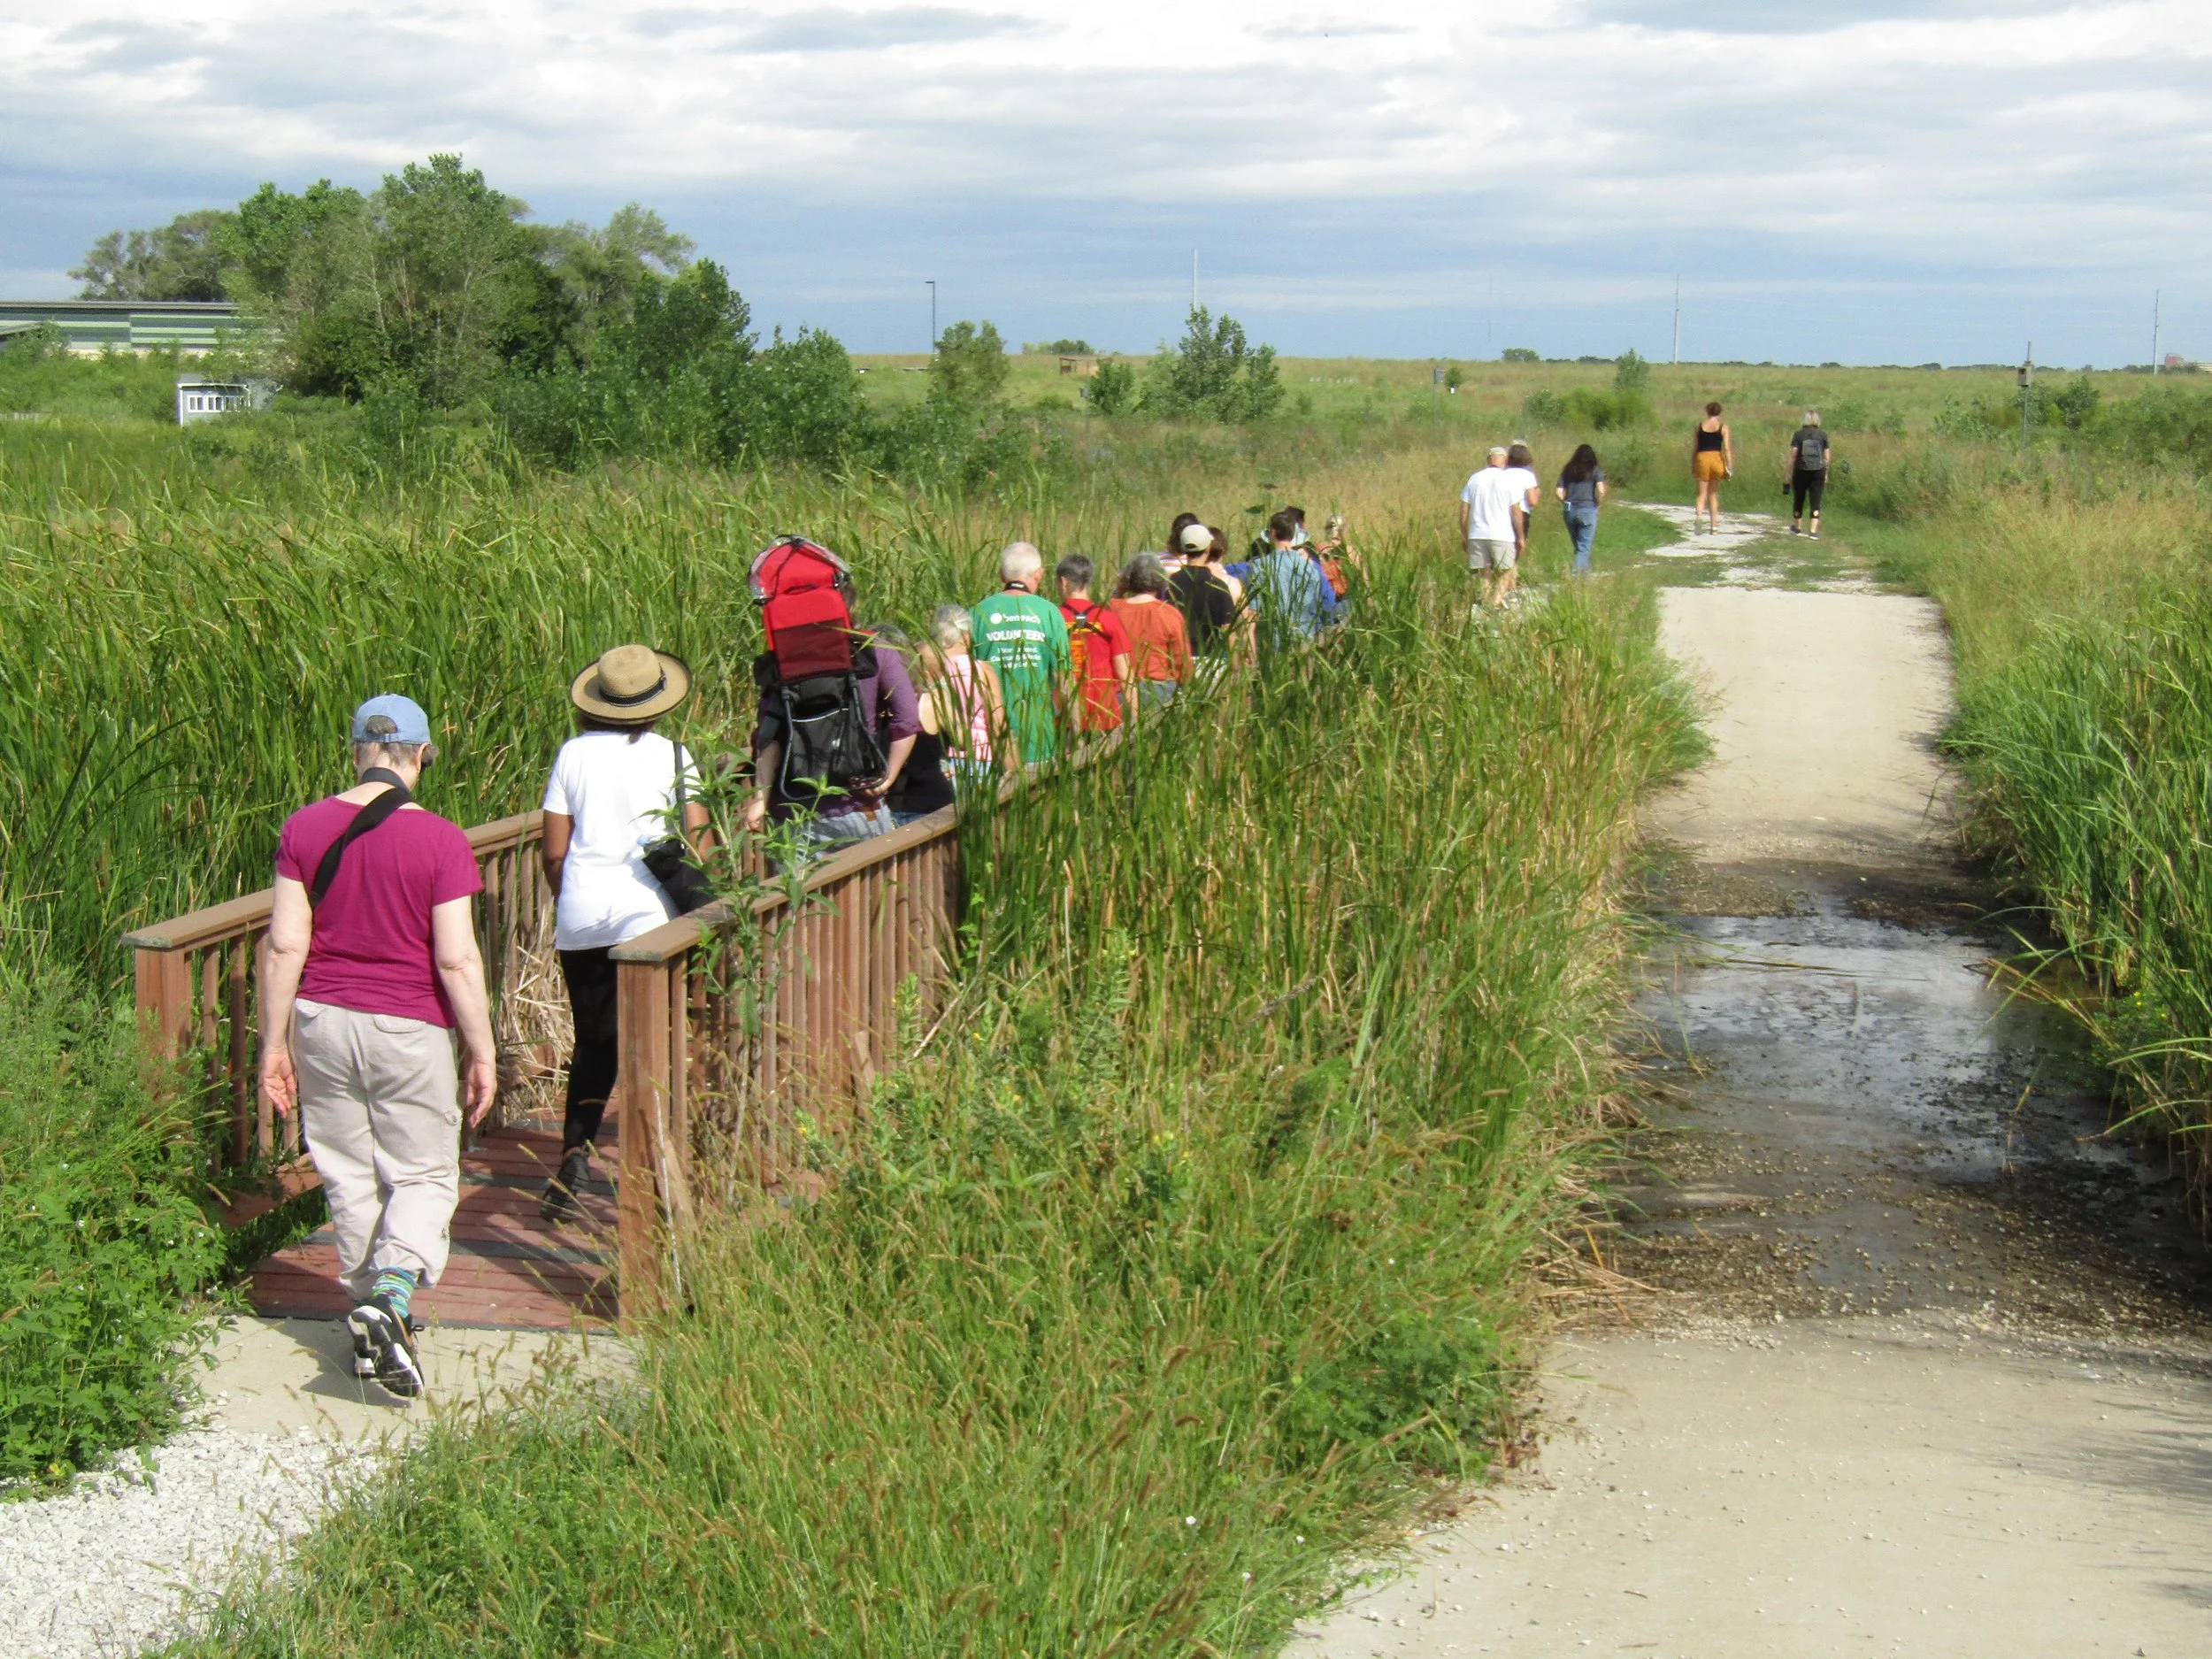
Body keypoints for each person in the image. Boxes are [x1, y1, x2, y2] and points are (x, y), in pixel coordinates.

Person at [257, 694, 496, 1400]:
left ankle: (373, 1329)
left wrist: (273, 1045)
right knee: (423, 1174)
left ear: (357, 751)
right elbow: (456, 958)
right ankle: (391, 1297)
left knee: (350, 1173)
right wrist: (483, 1051)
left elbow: (284, 944)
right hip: (407, 1026)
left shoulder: (303, 827)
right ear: (422, 756)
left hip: (321, 1022)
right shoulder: (441, 840)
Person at [537, 646, 708, 1224]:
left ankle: (573, 1156)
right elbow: (699, 840)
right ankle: (655, 1166)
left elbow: (554, 851)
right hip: (651, 914)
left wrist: (569, 897)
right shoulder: (675, 755)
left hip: (582, 911)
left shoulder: (572, 754)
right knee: (656, 1041)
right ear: (655, 702)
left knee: (594, 1042)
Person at [744, 620, 919, 850]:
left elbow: (769, 737)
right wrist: (887, 777)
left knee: (799, 875)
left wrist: (760, 800)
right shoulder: (874, 650)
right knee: (872, 875)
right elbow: (907, 719)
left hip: (795, 815)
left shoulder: (783, 660)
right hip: (860, 806)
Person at [970, 542, 1071, 764]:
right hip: (1040, 737)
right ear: (1039, 574)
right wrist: (1076, 731)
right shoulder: (1050, 613)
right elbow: (1063, 679)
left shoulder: (977, 613)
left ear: (1000, 574)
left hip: (989, 742)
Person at [918, 603, 1013, 788]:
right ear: (967, 636)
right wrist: (1013, 770)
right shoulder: (982, 672)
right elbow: (997, 725)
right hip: (979, 761)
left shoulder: (926, 668)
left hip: (937, 764)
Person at [1055, 553, 1133, 733]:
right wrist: (1135, 722)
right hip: (1104, 714)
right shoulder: (1108, 619)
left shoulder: (1053, 618)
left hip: (1064, 716)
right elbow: (1126, 675)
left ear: (1064, 582)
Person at [1108, 552, 1194, 708]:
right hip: (1160, 690)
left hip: (1121, 689)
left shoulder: (1113, 609)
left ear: (1128, 580)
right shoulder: (1169, 613)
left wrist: (1119, 590)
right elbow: (1182, 662)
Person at [1249, 508, 1334, 646]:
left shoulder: (1260, 566)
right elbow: (1326, 604)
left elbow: (1252, 611)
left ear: (1272, 532)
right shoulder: (1310, 567)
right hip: (1305, 639)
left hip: (1273, 642)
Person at [1458, 445, 1528, 608]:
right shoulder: (1508, 480)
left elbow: (1463, 509)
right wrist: (1521, 537)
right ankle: (1495, 602)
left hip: (1477, 533)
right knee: (1506, 571)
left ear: (1488, 460)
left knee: (1484, 572)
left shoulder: (1474, 479)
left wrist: (1464, 534)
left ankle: (1485, 602)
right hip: (1502, 534)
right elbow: (1516, 511)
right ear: (1505, 460)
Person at [1168, 522, 1240, 672]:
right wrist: (1236, 668)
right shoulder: (1218, 586)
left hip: (1179, 662)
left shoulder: (1170, 584)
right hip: (1211, 663)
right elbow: (1228, 631)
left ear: (1183, 548)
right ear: (1208, 548)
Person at [1555, 444, 1608, 575]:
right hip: (1588, 510)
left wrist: (1566, 502)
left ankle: (1585, 577)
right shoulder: (1595, 470)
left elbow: (1558, 492)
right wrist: (1597, 504)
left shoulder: (1568, 469)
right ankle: (1575, 576)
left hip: (1569, 511)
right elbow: (1601, 491)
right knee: (1583, 547)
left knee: (1579, 547)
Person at [1786, 411, 1832, 538]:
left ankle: (1797, 527)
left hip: (1801, 470)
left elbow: (1793, 455)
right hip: (1818, 471)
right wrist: (1825, 472)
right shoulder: (1823, 435)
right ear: (1818, 421)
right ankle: (1813, 531)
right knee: (1816, 500)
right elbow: (1827, 457)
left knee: (1799, 499)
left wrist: (1787, 473)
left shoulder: (1798, 434)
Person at [1693, 402, 1732, 533]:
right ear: (1719, 412)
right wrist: (1730, 466)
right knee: (1713, 494)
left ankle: (1699, 518)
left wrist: (1693, 463)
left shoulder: (1699, 427)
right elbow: (1727, 449)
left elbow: (1695, 448)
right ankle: (1714, 526)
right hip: (1716, 458)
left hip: (1702, 458)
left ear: (1707, 412)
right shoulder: (1723, 427)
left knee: (1702, 494)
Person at [1503, 445, 1541, 570]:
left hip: (1503, 513)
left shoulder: (1503, 473)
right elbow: (1532, 501)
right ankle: (1510, 574)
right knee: (1517, 549)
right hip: (1522, 513)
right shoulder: (1528, 475)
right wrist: (1538, 492)